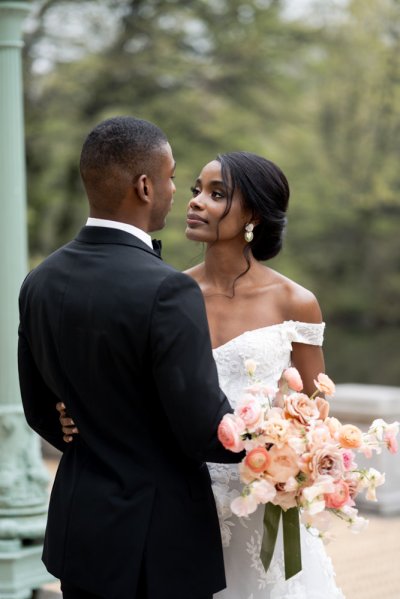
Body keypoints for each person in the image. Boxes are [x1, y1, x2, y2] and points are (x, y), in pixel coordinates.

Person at [58, 148, 346, 597]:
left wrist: (293, 463)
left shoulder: (295, 302)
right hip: (176, 501)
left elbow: (316, 415)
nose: (194, 201)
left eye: (216, 194)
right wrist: (71, 409)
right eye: (194, 190)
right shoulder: (165, 292)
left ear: (253, 213)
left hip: (258, 502)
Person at [17, 116, 243, 599]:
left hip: (79, 533)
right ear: (144, 186)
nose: (175, 189)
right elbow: (206, 431)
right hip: (156, 544)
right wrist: (274, 438)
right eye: (171, 176)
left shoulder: (40, 281)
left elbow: (38, 410)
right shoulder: (168, 289)